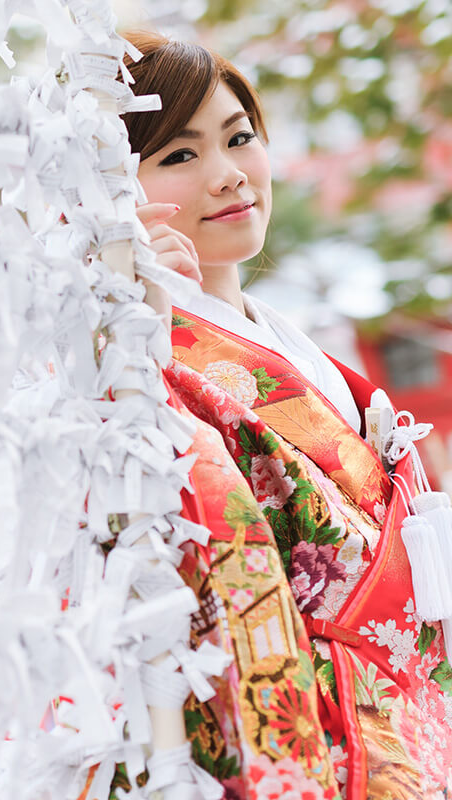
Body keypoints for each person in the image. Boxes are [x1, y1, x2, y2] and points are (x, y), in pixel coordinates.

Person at [120, 31, 452, 800]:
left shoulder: (293, 346)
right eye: (179, 156)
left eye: (240, 138)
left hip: (409, 716)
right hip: (320, 729)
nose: (230, 175)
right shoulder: (141, 359)